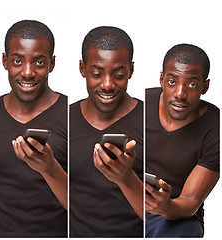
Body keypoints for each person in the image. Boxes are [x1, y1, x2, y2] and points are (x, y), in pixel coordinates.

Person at [0, 20, 67, 237]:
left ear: (52, 64)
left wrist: (50, 168)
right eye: (17, 61)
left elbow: (89, 204)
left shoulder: (73, 115)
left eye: (39, 62)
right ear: (5, 61)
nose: (27, 72)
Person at [69, 26, 143, 237]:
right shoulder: (64, 119)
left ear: (131, 70)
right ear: (82, 69)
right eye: (96, 74)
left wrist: (126, 178)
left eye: (119, 74)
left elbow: (162, 214)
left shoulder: (151, 122)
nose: (108, 85)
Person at [145, 43, 220, 237]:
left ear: (205, 87)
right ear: (162, 80)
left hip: (175, 214)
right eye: (172, 82)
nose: (180, 93)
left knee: (184, 229)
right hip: (126, 200)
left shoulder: (216, 127)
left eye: (192, 84)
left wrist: (165, 206)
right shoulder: (138, 105)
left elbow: (190, 201)